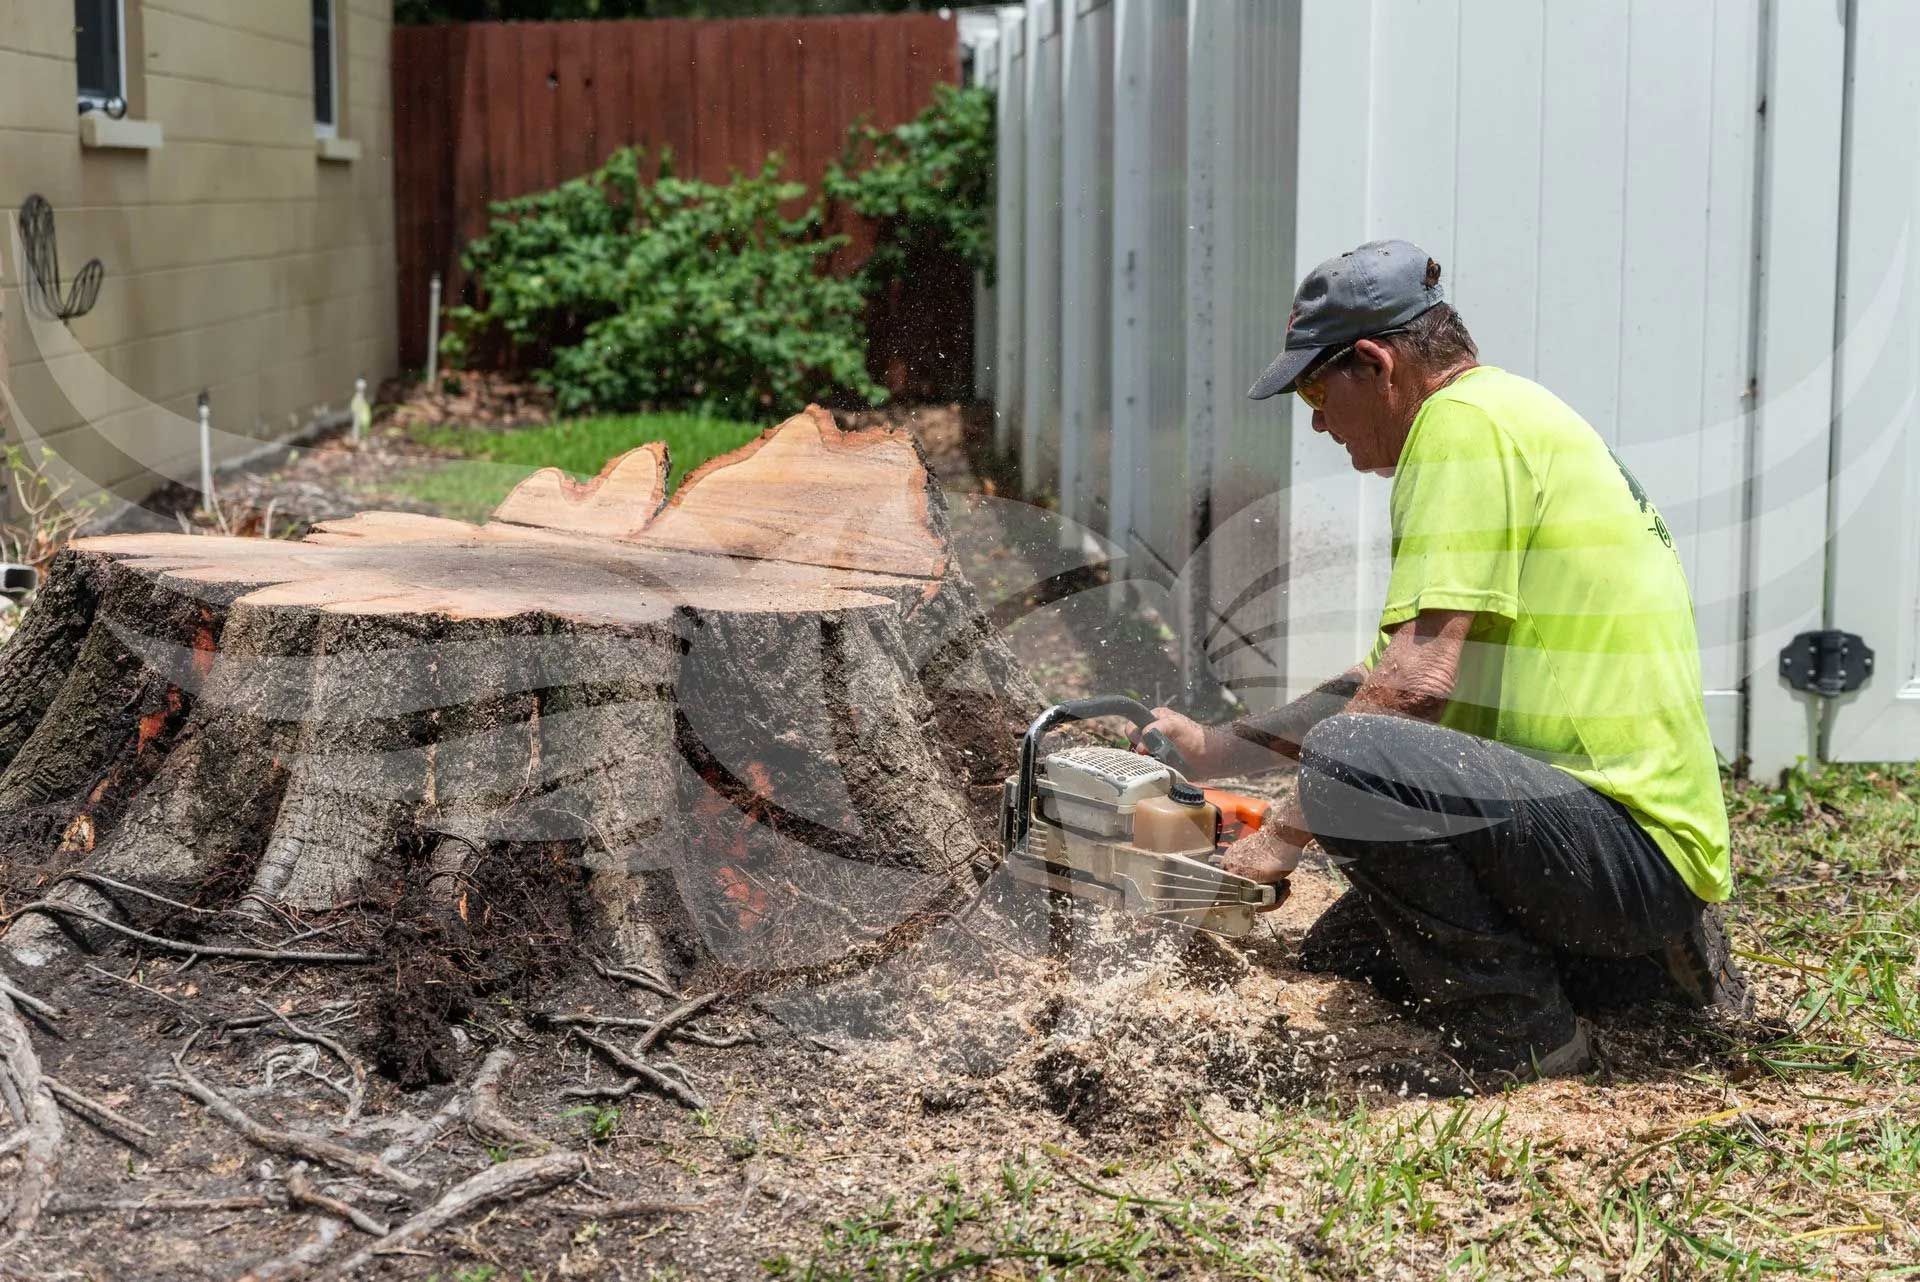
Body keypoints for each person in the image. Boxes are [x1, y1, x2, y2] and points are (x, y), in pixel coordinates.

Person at [1136, 239, 1744, 1093]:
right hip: (1620, 844)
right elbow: (1386, 676)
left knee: (1353, 759)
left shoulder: (1459, 433)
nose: (1315, 420)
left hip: (1624, 848)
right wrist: (1215, 748)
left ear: (1377, 364)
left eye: (1316, 391)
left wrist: (1275, 840)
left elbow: (1412, 693)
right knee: (1348, 950)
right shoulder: (1508, 416)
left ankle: (1525, 1041)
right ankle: (1633, 980)